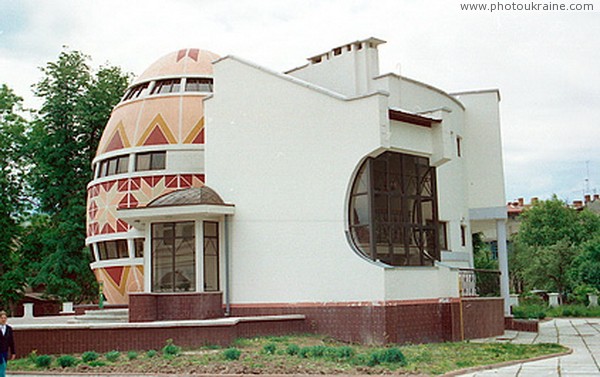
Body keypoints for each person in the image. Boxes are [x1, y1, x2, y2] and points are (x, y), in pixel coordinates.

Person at [0, 311, 16, 377]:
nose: (3, 319)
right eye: (2, 318)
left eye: (5, 318)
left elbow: (11, 341)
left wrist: (13, 352)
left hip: (5, 351)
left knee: (4, 366)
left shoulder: (9, 329)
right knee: (2, 365)